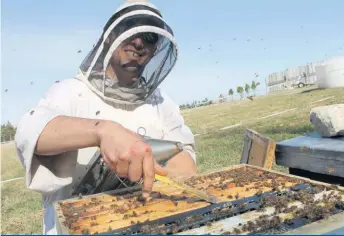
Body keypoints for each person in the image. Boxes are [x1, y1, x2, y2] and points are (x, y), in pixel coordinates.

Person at [14, 0, 197, 234]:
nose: (138, 42)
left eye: (149, 36)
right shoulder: (71, 92)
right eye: (130, 29)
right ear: (109, 38)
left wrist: (171, 173)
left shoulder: (161, 103)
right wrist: (103, 131)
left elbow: (184, 158)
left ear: (155, 49)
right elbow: (30, 132)